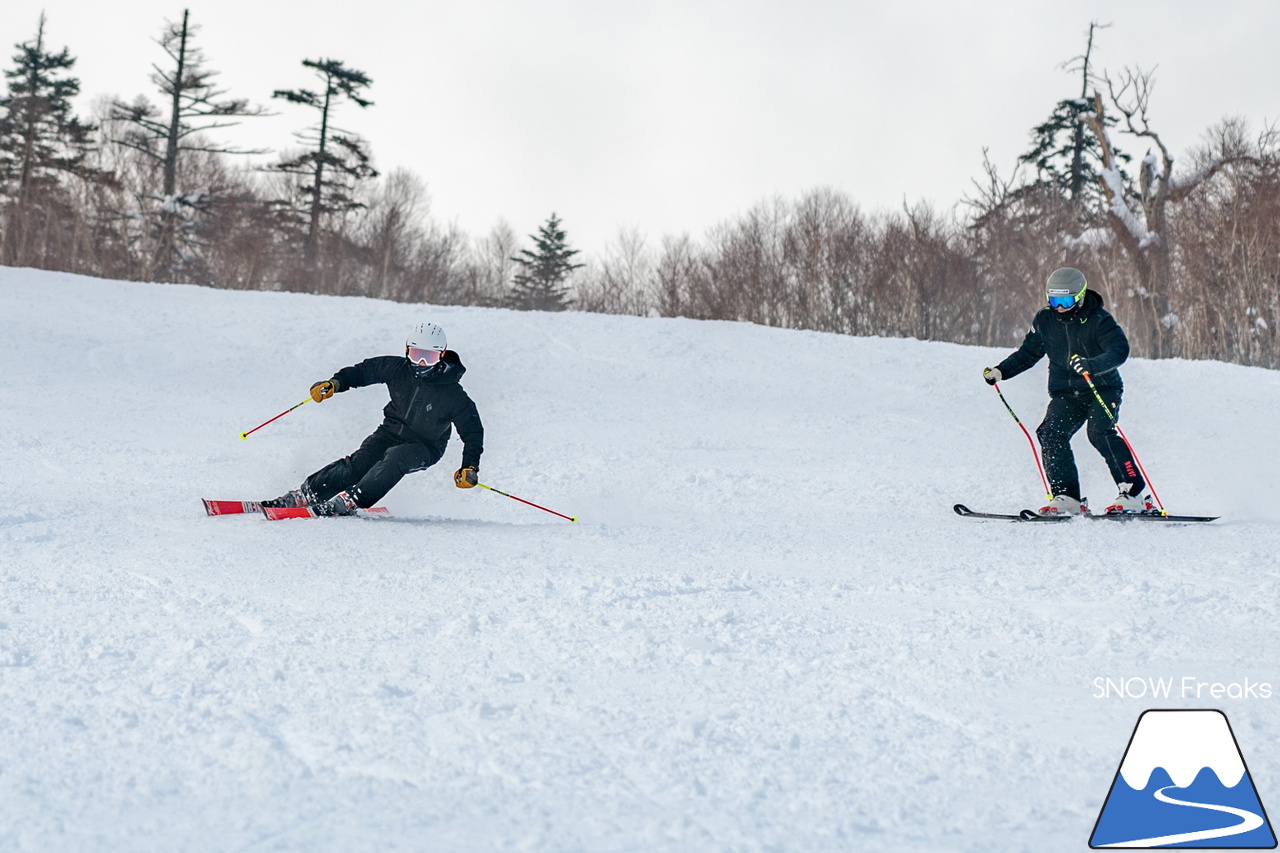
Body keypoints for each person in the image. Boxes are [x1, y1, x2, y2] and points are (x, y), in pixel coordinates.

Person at [262, 322, 484, 516]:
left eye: (430, 357)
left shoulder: (454, 394)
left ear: (442, 355)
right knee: (358, 464)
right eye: (417, 355)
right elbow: (362, 372)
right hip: (389, 432)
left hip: (425, 446)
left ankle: (352, 500)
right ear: (407, 351)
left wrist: (469, 466)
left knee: (397, 457)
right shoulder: (396, 368)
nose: (422, 363)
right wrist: (334, 384)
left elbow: (473, 432)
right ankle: (306, 494)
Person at [982, 267, 1153, 516]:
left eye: (1065, 301)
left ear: (1080, 296)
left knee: (1099, 432)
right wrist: (1001, 371)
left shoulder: (1098, 320)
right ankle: (1067, 497)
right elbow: (1028, 353)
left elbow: (1119, 350)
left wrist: (1092, 365)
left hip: (1102, 388)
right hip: (1065, 393)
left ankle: (1134, 493)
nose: (1059, 307)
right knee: (1050, 433)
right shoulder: (1045, 320)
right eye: (1053, 300)